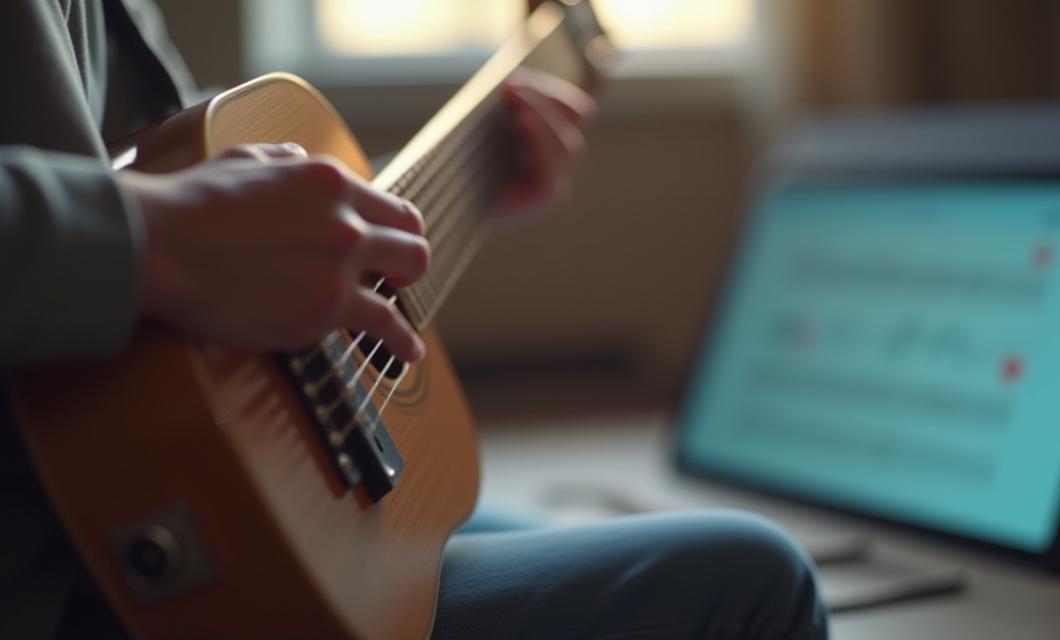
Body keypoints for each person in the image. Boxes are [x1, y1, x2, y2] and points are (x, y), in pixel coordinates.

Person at [0, 1, 829, 638]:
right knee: (754, 580)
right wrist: (155, 240)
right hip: (57, 578)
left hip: (174, 461)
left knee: (502, 519)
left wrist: (415, 205)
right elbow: (169, 221)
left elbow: (169, 163)